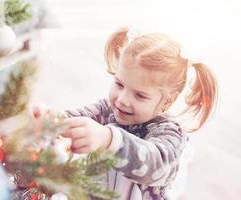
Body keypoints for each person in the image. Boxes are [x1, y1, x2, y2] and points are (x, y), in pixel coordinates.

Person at [59, 27, 218, 199]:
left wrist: (110, 139)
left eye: (140, 95)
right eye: (119, 84)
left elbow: (156, 166)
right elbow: (73, 119)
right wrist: (47, 122)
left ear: (167, 101)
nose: (122, 100)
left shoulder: (169, 133)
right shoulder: (107, 109)